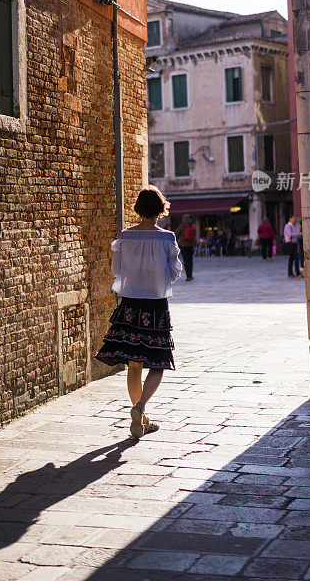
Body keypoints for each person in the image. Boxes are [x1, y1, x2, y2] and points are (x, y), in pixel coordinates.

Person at [95, 186, 182, 439]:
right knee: (158, 362)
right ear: (160, 209)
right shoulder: (167, 238)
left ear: (138, 209)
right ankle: (141, 409)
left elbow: (116, 270)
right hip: (155, 306)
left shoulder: (125, 236)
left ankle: (140, 417)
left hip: (130, 305)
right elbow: (175, 272)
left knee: (134, 365)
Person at [175, 214, 196, 281]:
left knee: (186, 261)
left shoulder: (182, 225)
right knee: (190, 260)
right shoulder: (192, 225)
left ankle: (188, 276)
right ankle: (191, 274)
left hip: (184, 245)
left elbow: (177, 233)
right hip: (191, 245)